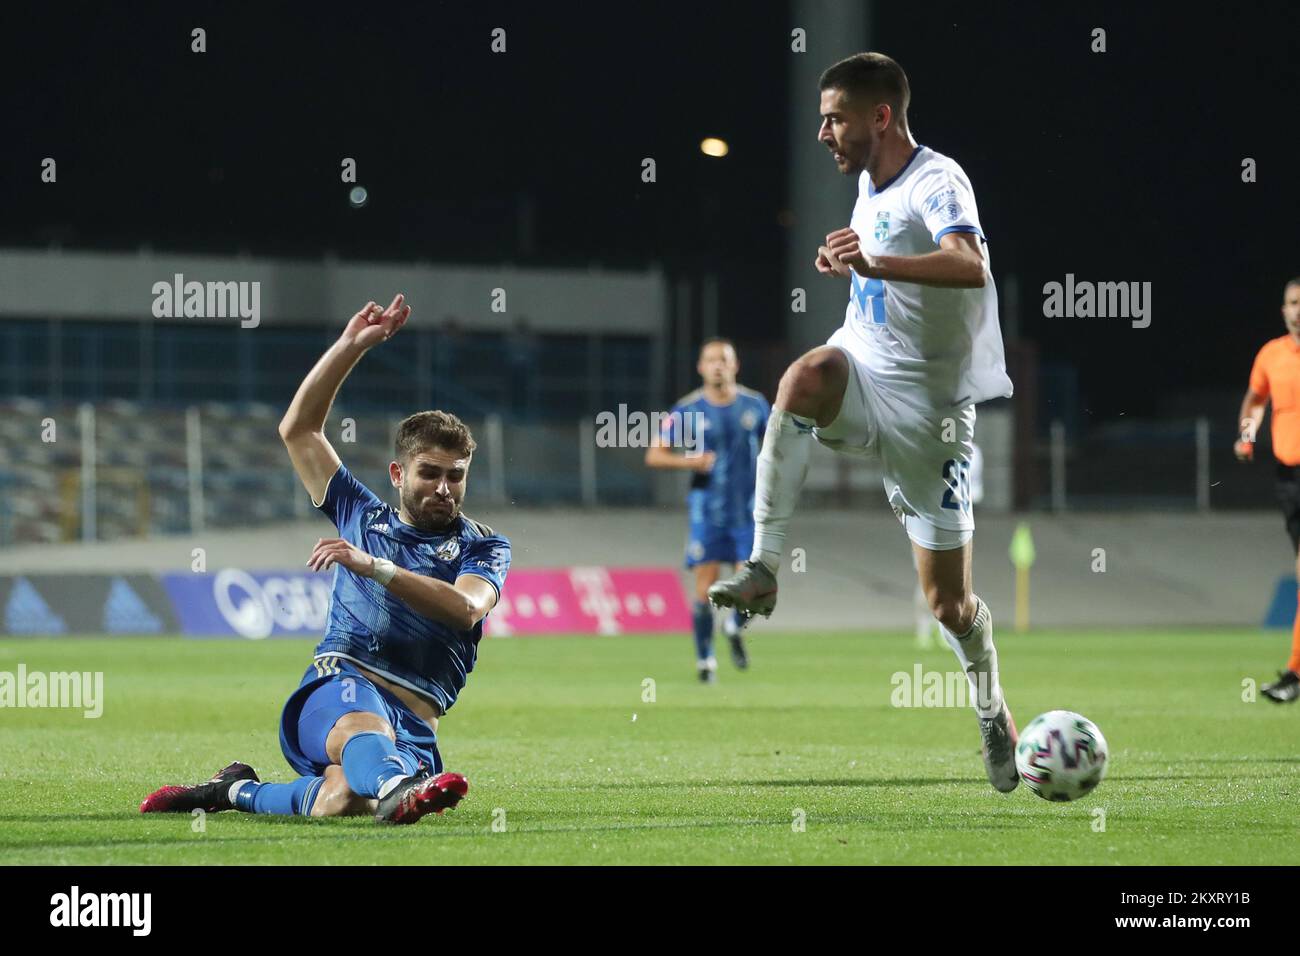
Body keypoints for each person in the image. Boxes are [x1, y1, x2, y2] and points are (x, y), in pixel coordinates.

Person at [708, 53, 1019, 792]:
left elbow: (967, 263)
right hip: (864, 367)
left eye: (835, 116)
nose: (823, 131)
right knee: (804, 376)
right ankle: (764, 568)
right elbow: (877, 266)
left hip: (932, 415)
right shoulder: (864, 184)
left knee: (949, 604)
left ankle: (991, 709)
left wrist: (874, 263)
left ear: (881, 116)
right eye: (820, 116)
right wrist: (848, 260)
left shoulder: (938, 180)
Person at [141, 294, 512, 822]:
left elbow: (465, 609)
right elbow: (299, 430)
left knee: (339, 801)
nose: (445, 488)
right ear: (398, 474)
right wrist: (349, 346)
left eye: (456, 475)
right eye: (430, 472)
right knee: (365, 734)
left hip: (414, 717)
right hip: (339, 686)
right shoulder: (361, 514)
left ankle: (230, 792)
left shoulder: (484, 545)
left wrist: (375, 567)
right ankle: (397, 791)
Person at [646, 339, 770, 682]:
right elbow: (655, 454)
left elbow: (777, 448)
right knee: (705, 589)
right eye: (711, 360)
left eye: (724, 359)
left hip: (748, 511)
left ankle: (732, 627)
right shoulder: (688, 411)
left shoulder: (755, 405)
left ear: (735, 365)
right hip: (708, 512)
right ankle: (705, 662)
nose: (718, 365)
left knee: (753, 587)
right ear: (701, 367)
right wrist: (690, 461)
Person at [1234, 277, 1300, 703]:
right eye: (1293, 302)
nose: (1299, 309)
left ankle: (1295, 672)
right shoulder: (1272, 354)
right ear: (1283, 310)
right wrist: (1247, 434)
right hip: (1290, 479)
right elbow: (1255, 400)